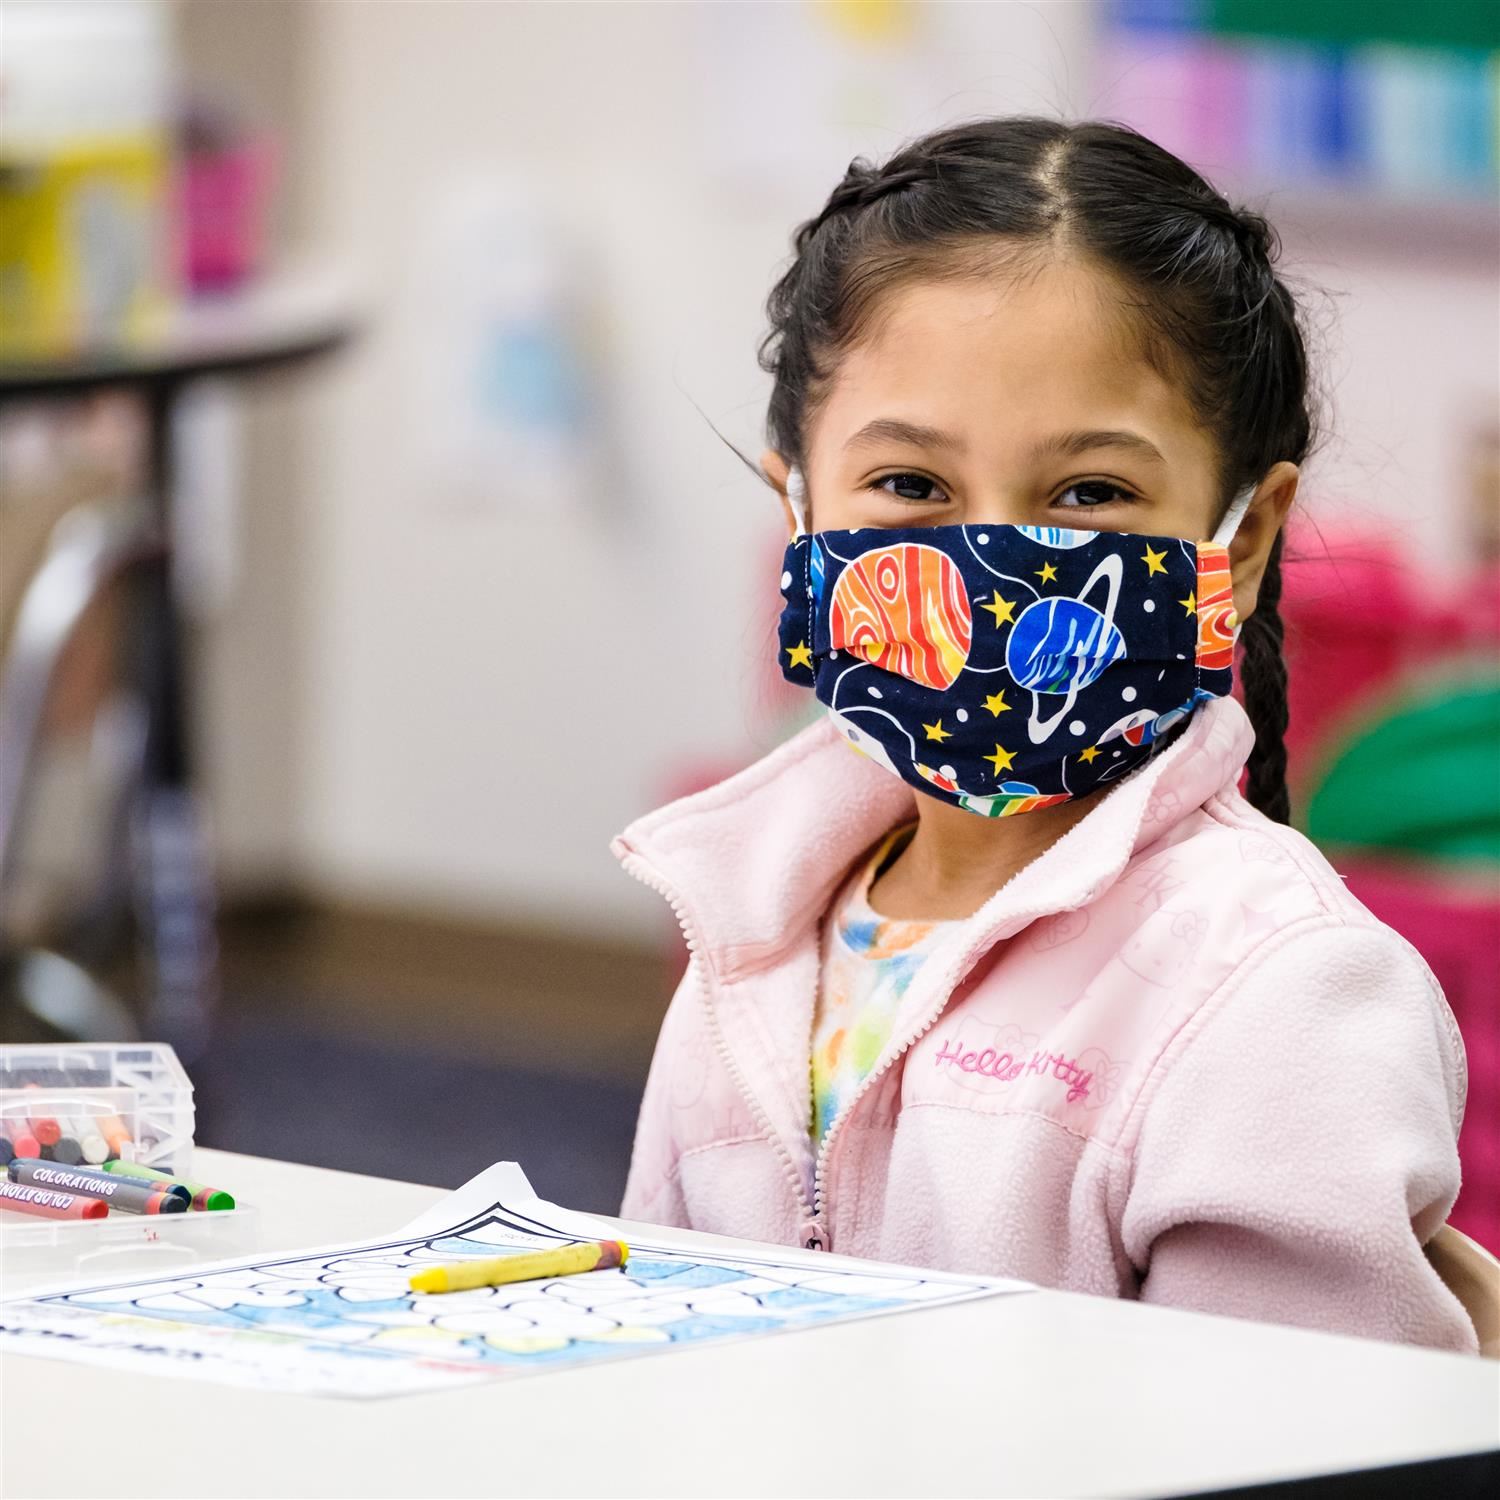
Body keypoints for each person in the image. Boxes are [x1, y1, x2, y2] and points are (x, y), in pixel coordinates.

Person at [614, 119, 1476, 1352]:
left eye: (1091, 496)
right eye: (910, 487)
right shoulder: (747, 924)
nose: (993, 564)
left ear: (1239, 545)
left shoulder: (1285, 993)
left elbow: (1307, 1446)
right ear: (797, 512)